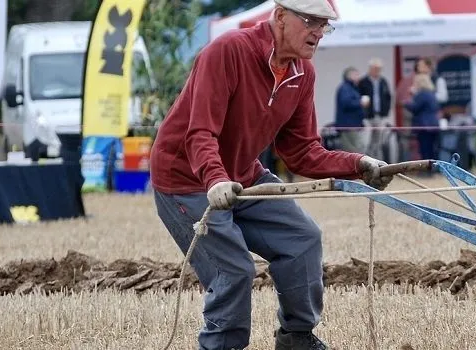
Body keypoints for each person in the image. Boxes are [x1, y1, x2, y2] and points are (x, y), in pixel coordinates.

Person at [147, 0, 394, 349]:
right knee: (233, 270)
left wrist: (358, 164)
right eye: (311, 21)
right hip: (187, 179)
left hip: (244, 176)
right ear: (280, 17)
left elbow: (302, 151)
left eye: (325, 25)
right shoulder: (228, 52)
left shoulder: (302, 74)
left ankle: (296, 337)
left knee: (303, 238)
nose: (319, 33)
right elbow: (200, 132)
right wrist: (215, 179)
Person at [357, 58, 392, 160]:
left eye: (379, 69)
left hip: (380, 116)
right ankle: (365, 161)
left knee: (377, 142)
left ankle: (375, 161)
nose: (377, 71)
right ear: (370, 68)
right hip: (367, 116)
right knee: (366, 141)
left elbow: (388, 97)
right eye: (375, 68)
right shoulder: (363, 82)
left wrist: (386, 112)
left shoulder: (383, 81)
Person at [403, 74, 440, 167]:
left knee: (425, 148)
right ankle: (433, 169)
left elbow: (415, 107)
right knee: (432, 148)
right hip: (434, 124)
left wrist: (406, 103)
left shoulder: (422, 94)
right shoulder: (432, 93)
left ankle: (427, 170)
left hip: (424, 125)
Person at [334, 66, 368, 153]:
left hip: (354, 125)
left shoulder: (352, 88)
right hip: (348, 126)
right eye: (356, 74)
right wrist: (360, 102)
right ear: (349, 75)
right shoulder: (345, 88)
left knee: (356, 149)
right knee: (352, 150)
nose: (359, 77)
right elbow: (345, 103)